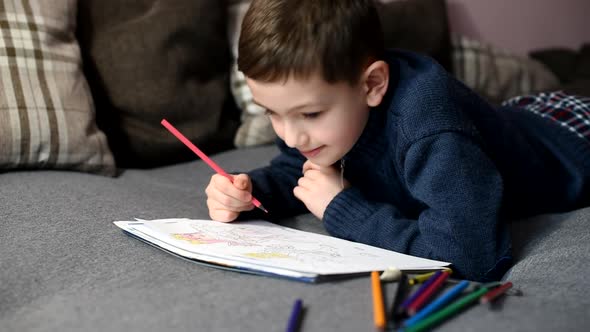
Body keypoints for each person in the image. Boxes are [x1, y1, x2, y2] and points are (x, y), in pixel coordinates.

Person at [205, 0, 590, 281]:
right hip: (515, 115)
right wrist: (250, 191)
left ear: (373, 84)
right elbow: (300, 169)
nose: (289, 134)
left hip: (571, 138)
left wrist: (345, 208)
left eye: (310, 114)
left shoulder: (430, 131)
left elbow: (472, 257)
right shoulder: (316, 122)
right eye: (271, 112)